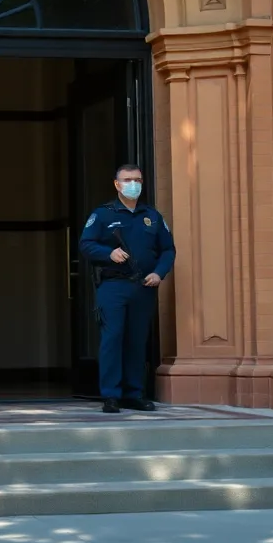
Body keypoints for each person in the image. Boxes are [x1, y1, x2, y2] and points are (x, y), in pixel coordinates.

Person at [78, 164, 176, 414]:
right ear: (117, 184)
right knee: (113, 339)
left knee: (136, 340)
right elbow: (86, 244)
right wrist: (108, 253)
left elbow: (167, 249)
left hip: (143, 286)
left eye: (138, 180)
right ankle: (111, 395)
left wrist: (159, 272)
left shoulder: (152, 216)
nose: (134, 184)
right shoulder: (103, 214)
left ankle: (134, 394)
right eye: (128, 179)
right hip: (113, 287)